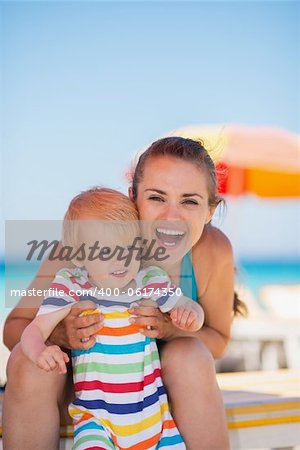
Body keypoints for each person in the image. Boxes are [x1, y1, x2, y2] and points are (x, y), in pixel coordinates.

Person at [3, 136, 244, 449]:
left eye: (189, 201)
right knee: (26, 360)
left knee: (191, 354)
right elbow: (14, 329)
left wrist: (171, 330)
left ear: (209, 211)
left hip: (157, 397)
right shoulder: (87, 247)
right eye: (157, 198)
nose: (172, 217)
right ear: (133, 197)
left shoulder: (213, 250)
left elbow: (219, 341)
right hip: (87, 397)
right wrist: (62, 334)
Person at [20, 187, 204, 449]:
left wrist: (191, 315)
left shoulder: (149, 280)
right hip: (97, 421)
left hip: (155, 419)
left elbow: (188, 307)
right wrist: (39, 351)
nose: (120, 260)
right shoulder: (72, 286)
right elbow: (34, 329)